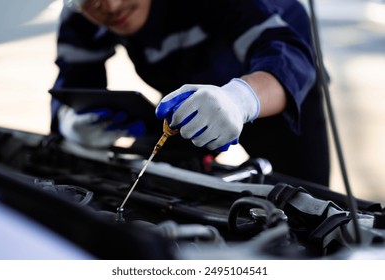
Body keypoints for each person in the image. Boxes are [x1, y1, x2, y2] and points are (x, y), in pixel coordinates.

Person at [51, 0, 330, 186]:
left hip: (272, 92)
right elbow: (74, 84)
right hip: (185, 98)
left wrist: (240, 99)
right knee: (153, 184)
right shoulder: (79, 12)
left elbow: (286, 53)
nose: (111, 7)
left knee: (303, 204)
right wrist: (69, 121)